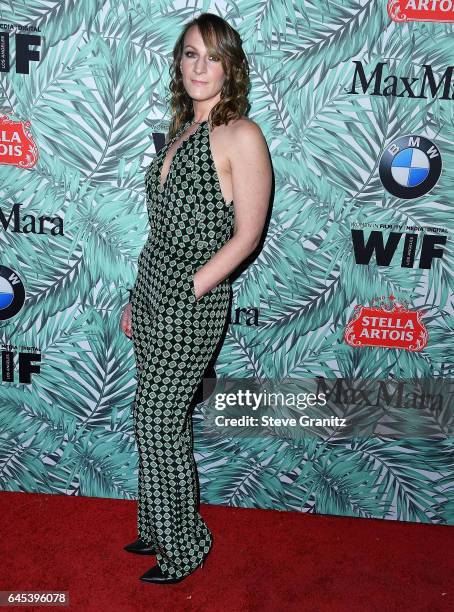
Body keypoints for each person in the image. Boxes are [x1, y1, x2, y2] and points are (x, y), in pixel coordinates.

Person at [120, 12, 272, 584]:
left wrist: (188, 289)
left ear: (230, 67)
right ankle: (159, 525)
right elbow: (161, 231)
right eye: (189, 54)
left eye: (212, 56)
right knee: (152, 418)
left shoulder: (242, 135)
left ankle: (185, 546)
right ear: (178, 63)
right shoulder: (184, 129)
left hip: (193, 300)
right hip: (155, 290)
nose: (199, 66)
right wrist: (142, 297)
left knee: (160, 419)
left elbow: (247, 237)